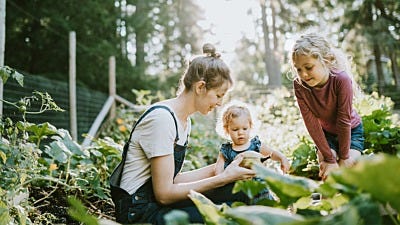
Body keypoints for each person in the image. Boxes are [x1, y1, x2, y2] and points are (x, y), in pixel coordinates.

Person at [109, 43, 256, 225]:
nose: (220, 103)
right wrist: (223, 178)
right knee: (229, 212)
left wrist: (222, 167)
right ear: (200, 87)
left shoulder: (183, 120)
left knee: (243, 191)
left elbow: (172, 179)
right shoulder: (162, 119)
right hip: (139, 213)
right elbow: (164, 194)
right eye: (218, 95)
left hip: (155, 203)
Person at [289, 33, 365, 181]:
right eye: (298, 69)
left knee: (347, 168)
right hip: (326, 135)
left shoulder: (341, 80)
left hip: (351, 130)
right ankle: (327, 203)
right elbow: (311, 124)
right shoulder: (299, 85)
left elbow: (344, 121)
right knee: (327, 170)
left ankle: (353, 200)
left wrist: (344, 157)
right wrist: (329, 159)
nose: (303, 74)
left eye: (309, 67)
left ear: (327, 60)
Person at [215, 101, 290, 175]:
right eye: (235, 129)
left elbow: (272, 153)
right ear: (227, 130)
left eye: (245, 129)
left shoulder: (255, 145)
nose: (240, 133)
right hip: (235, 185)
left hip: (255, 184)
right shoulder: (226, 151)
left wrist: (282, 158)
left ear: (250, 127)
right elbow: (218, 170)